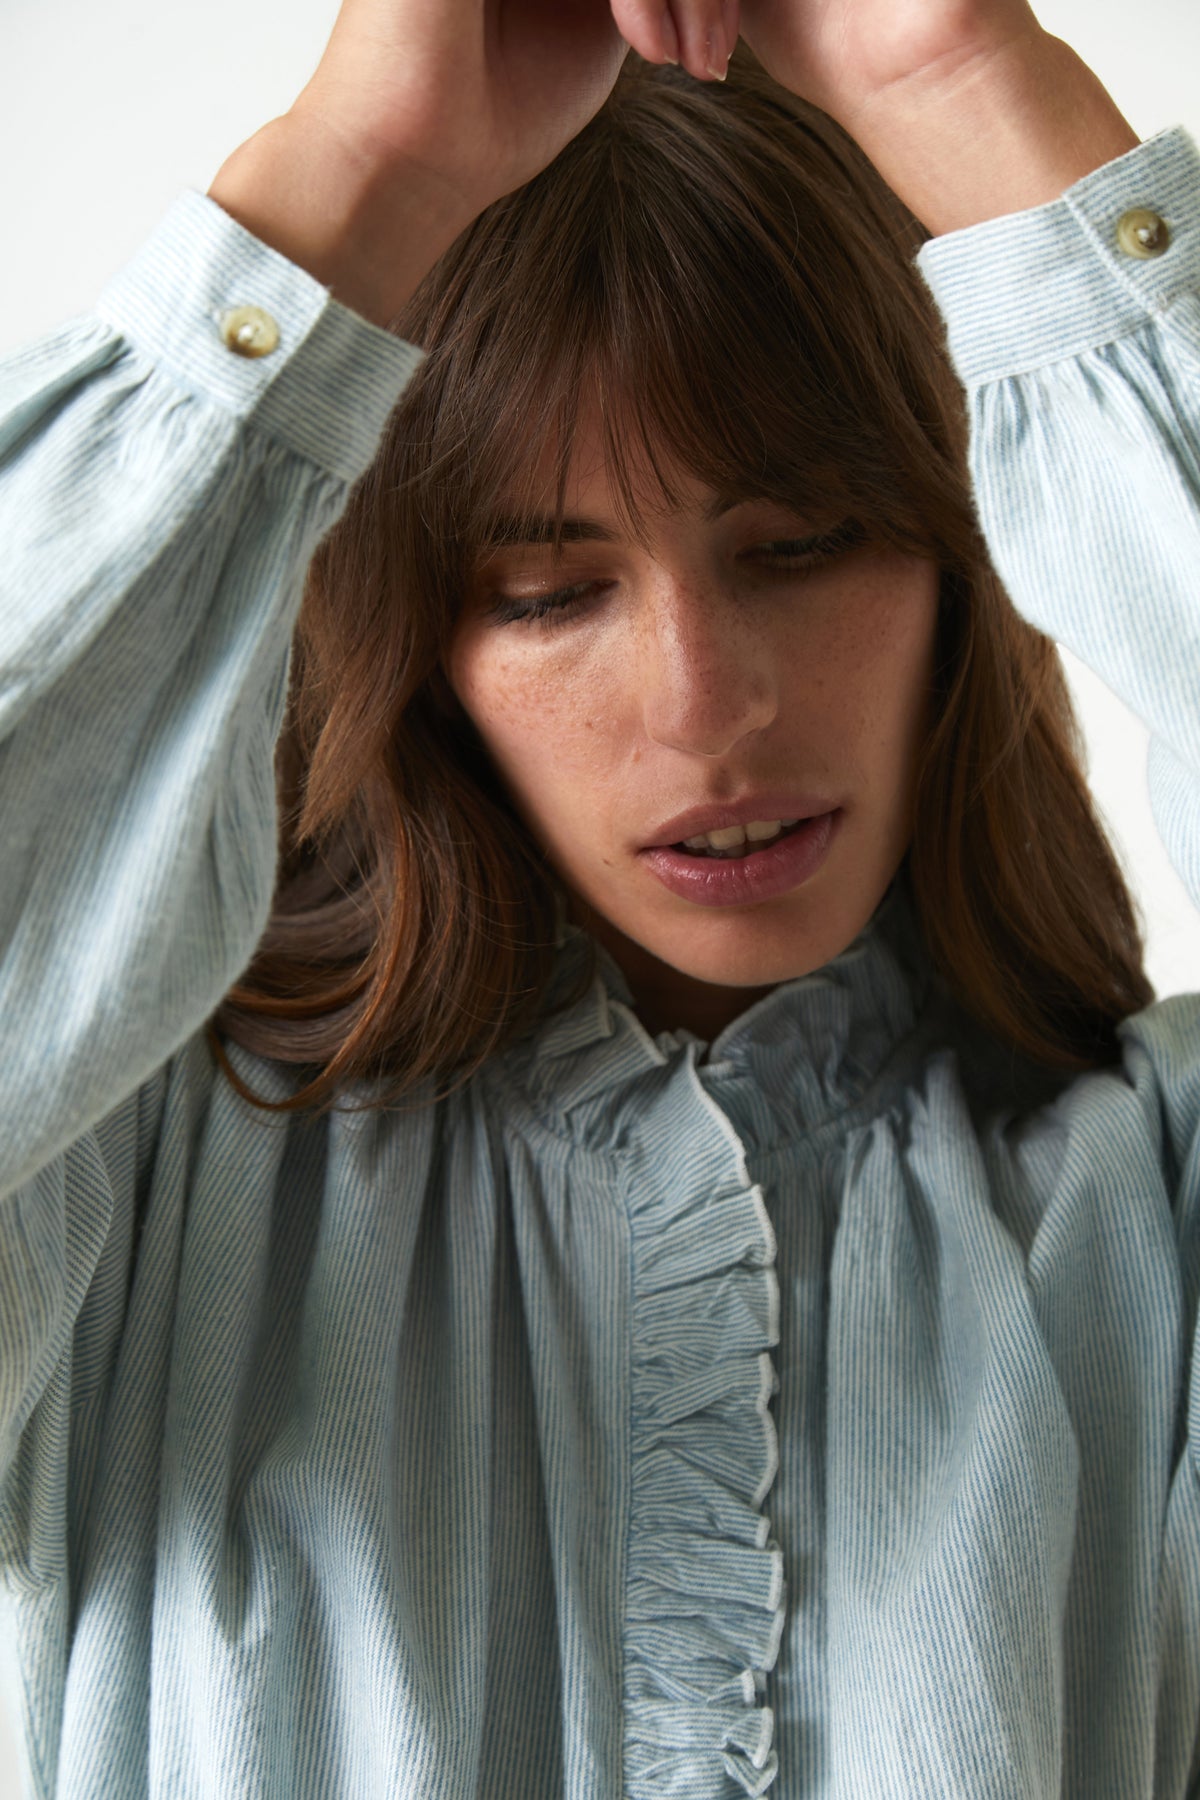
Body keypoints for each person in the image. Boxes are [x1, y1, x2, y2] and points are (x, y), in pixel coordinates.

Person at [1, 0, 1198, 1792]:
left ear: (967, 554)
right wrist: (349, 184)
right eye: (549, 593)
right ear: (423, 651)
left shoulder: (1150, 1204)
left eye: (804, 545)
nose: (707, 706)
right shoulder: (123, 1197)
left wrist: (980, 100)